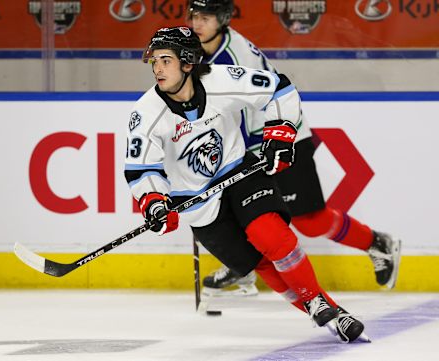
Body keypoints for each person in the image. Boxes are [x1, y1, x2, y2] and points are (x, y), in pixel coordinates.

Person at [124, 26, 367, 343]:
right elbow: (141, 169)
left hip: (239, 172)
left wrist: (281, 130)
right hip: (198, 204)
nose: (157, 68)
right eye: (154, 61)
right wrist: (154, 200)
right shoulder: (145, 113)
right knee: (263, 263)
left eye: (165, 60)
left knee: (272, 236)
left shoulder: (221, 80)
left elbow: (278, 88)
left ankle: (321, 303)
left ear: (188, 62)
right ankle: (324, 311)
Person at [187, 0, 401, 297]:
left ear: (222, 19)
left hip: (282, 139)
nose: (197, 23)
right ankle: (243, 268)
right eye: (194, 16)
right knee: (238, 209)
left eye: (206, 17)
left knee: (310, 222)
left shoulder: (235, 58)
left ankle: (376, 242)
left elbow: (252, 115)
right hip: (255, 143)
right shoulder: (198, 49)